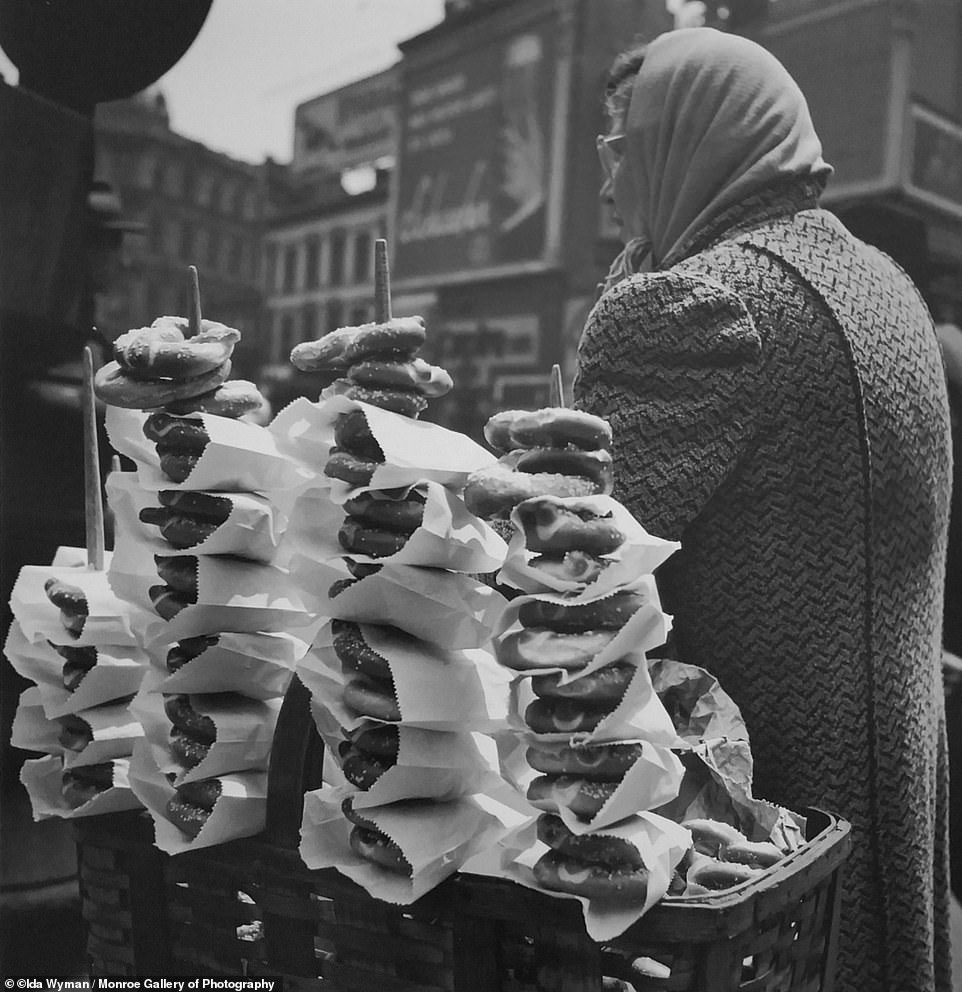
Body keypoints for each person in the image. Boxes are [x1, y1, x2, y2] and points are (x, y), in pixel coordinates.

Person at [574, 28, 952, 992]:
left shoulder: (698, 303)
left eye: (622, 149)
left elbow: (571, 570)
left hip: (749, 843)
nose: (609, 189)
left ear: (688, 143)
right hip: (890, 807)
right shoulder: (891, 290)